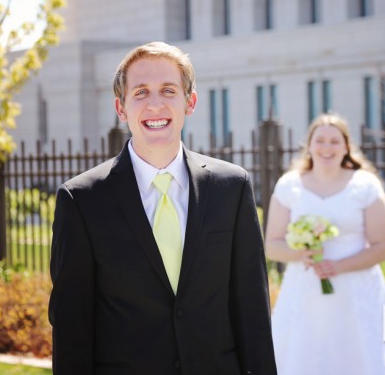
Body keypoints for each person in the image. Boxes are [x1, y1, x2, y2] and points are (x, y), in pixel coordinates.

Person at [48, 41, 277, 375]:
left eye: (168, 90)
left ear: (190, 101)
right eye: (140, 92)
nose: (155, 105)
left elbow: (252, 310)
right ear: (121, 108)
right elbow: (72, 327)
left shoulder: (231, 187)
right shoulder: (81, 200)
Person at [265, 113, 385, 375]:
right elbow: (272, 245)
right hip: (305, 291)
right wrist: (301, 253)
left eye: (335, 141)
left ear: (346, 146)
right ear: (310, 145)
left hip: (357, 290)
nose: (327, 148)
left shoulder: (365, 185)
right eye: (320, 140)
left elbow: (382, 246)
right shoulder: (289, 185)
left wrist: (337, 266)